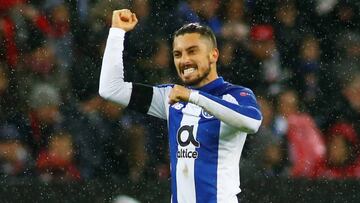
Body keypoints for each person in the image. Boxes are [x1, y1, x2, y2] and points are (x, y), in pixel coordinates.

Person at [99, 9, 262, 203]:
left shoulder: (234, 95)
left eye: (192, 51)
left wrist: (194, 96)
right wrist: (117, 32)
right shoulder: (171, 97)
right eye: (178, 54)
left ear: (214, 54)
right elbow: (111, 89)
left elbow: (252, 122)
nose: (184, 60)